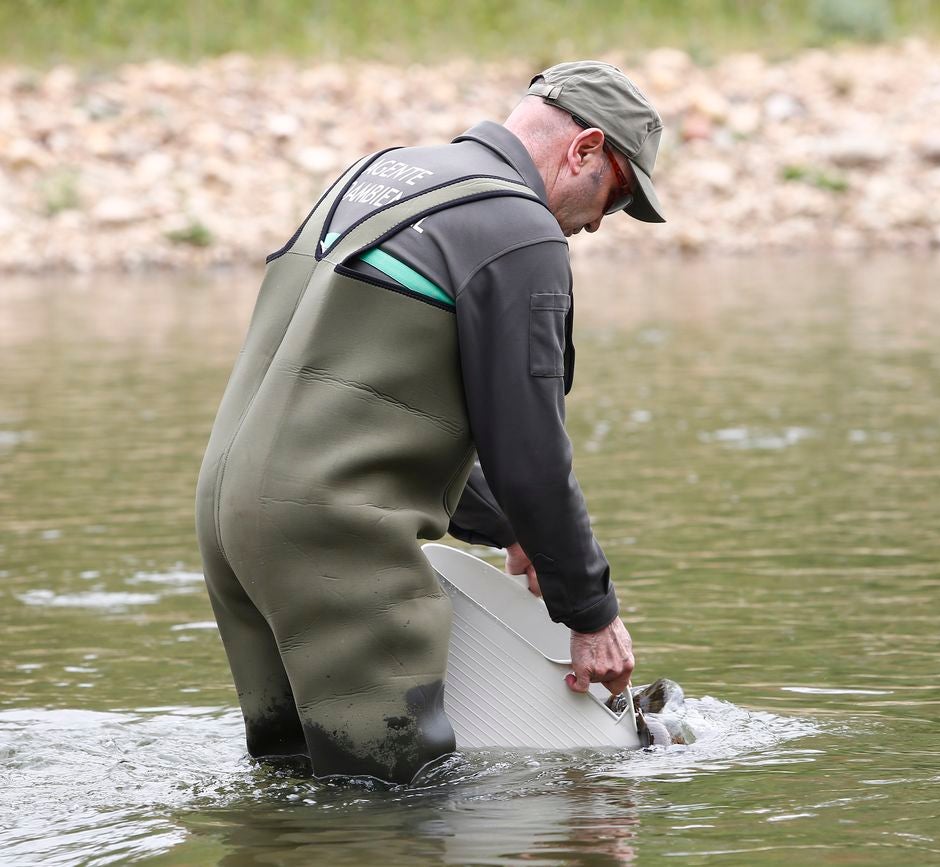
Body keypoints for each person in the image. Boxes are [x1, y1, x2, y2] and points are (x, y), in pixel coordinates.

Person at [194, 60, 665, 784]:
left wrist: (508, 527)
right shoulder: (520, 228)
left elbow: (362, 405)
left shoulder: (376, 174)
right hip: (335, 537)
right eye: (617, 193)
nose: (600, 222)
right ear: (586, 149)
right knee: (393, 804)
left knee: (290, 791)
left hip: (230, 522)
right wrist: (591, 612)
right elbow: (529, 451)